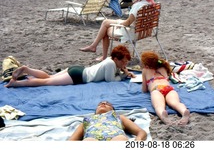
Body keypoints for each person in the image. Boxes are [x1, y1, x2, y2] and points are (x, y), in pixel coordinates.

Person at [79, 0, 156, 61]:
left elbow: (127, 23)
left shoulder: (138, 5)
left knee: (106, 28)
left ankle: (98, 51)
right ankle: (94, 47)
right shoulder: (150, 1)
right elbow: (131, 21)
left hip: (132, 33)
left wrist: (118, 24)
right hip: (145, 31)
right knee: (106, 22)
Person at [5, 45, 135, 88]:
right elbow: (110, 80)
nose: (125, 64)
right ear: (116, 59)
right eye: (123, 62)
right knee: (46, 82)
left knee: (49, 77)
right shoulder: (110, 64)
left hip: (79, 69)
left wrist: (123, 71)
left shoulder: (109, 60)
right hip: (79, 76)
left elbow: (113, 73)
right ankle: (16, 84)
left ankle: (28, 70)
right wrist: (123, 76)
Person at [141, 51, 190, 126]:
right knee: (175, 103)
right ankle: (184, 111)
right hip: (168, 88)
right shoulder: (163, 67)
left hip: (156, 89)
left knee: (159, 106)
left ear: (146, 64)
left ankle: (163, 116)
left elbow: (144, 89)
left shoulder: (145, 70)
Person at [68, 101, 147, 141]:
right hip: (92, 139)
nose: (103, 103)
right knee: (88, 141)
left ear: (113, 110)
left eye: (107, 104)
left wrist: (138, 140)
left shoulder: (118, 117)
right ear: (95, 111)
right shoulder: (87, 120)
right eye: (100, 104)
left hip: (116, 139)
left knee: (120, 139)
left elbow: (141, 132)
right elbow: (71, 141)